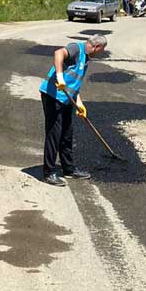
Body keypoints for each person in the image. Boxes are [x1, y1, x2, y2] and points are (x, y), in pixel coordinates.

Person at [38, 35, 108, 186]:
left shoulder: (86, 58)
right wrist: (59, 77)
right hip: (52, 95)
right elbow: (58, 53)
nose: (100, 53)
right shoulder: (76, 48)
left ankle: (69, 169)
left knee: (67, 134)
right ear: (96, 47)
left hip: (67, 97)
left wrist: (80, 104)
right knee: (54, 134)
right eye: (101, 50)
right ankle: (48, 173)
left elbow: (75, 82)